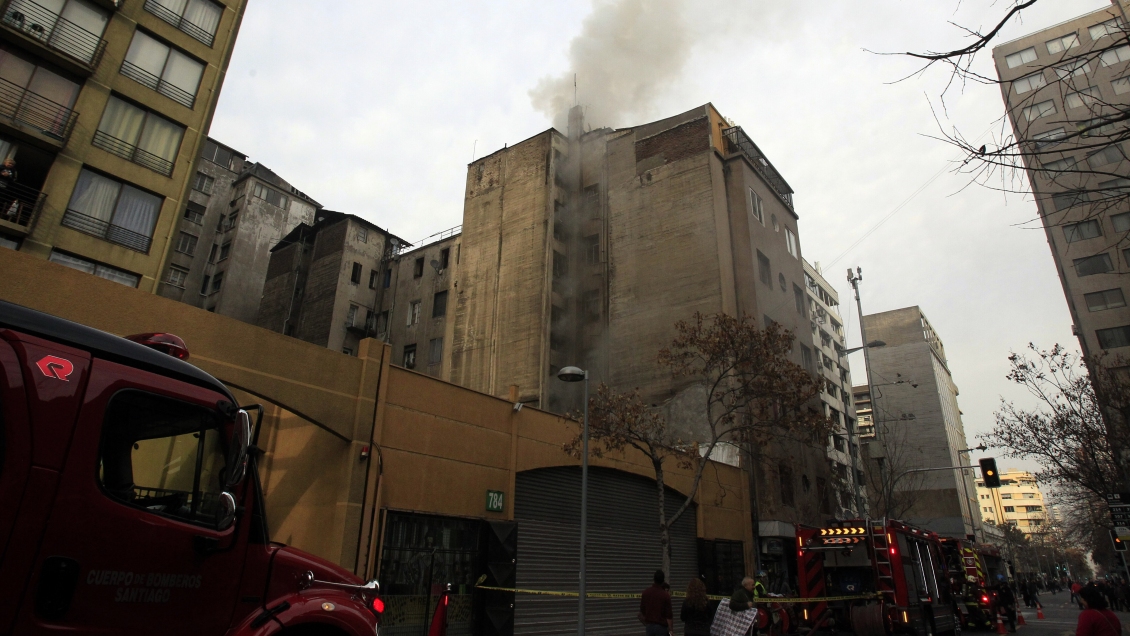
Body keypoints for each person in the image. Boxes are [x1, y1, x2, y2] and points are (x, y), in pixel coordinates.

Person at [639, 569, 673, 636]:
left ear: (654, 579)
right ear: (663, 580)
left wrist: (647, 623)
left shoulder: (646, 593)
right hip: (661, 628)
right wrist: (671, 631)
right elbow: (669, 616)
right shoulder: (665, 595)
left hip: (649, 627)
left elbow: (642, 612)